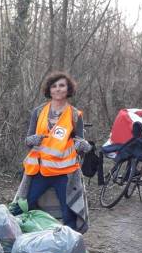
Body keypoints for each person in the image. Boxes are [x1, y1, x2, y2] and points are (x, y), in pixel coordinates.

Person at [22, 71, 92, 229]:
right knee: (25, 206)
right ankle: (30, 238)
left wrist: (84, 146)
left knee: (68, 213)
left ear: (68, 89)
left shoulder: (75, 115)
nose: (58, 89)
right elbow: (27, 141)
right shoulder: (38, 112)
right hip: (40, 171)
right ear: (49, 90)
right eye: (54, 86)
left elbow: (80, 143)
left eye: (62, 85)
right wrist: (32, 140)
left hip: (65, 173)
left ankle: (69, 245)